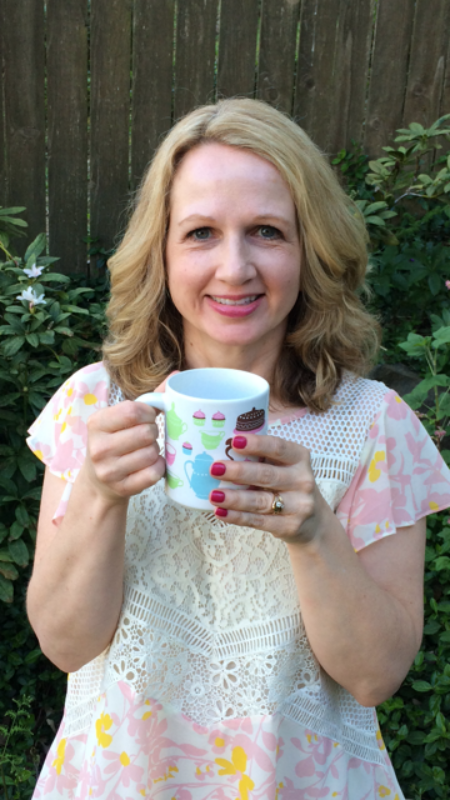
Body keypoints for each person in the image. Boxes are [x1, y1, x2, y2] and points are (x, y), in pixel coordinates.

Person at [26, 98, 450, 800]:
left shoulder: (375, 425)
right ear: (161, 252)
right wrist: (100, 496)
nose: (234, 268)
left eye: (266, 232)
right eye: (200, 233)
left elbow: (375, 677)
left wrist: (314, 532)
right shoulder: (95, 406)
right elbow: (66, 644)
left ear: (311, 248)